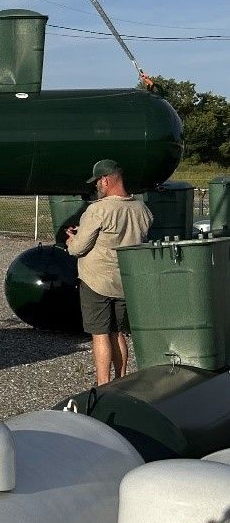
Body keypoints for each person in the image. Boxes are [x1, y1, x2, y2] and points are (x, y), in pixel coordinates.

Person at [66, 159, 153, 385]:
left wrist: (72, 238)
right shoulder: (142, 209)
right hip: (124, 281)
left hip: (97, 282)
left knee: (101, 334)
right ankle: (121, 380)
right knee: (118, 333)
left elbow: (78, 248)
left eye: (97, 183)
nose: (97, 187)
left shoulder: (98, 209)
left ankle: (103, 385)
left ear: (105, 180)